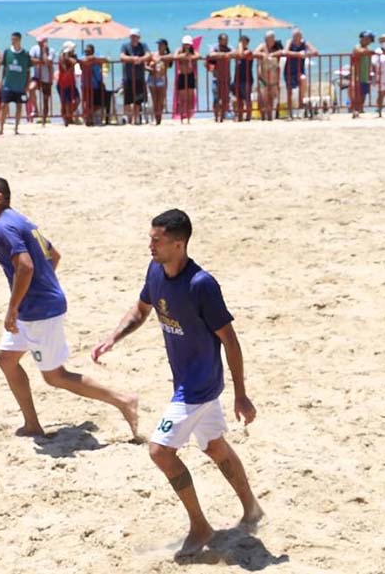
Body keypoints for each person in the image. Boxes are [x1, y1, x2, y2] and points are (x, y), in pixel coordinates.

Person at [91, 209, 264, 558]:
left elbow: (229, 339)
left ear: (179, 243)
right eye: (150, 238)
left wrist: (241, 394)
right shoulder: (155, 271)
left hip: (198, 386)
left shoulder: (202, 285)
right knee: (215, 446)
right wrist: (114, 337)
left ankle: (200, 525)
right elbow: (141, 310)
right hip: (185, 381)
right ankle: (252, 509)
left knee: (160, 451)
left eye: (157, 240)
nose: (150, 245)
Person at [0, 177, 140, 439]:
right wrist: (41, 286)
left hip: (38, 312)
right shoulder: (22, 221)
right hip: (36, 305)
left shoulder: (5, 227)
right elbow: (56, 255)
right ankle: (32, 425)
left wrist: (14, 306)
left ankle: (123, 399)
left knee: (55, 377)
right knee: (7, 361)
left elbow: (26, 266)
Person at [0, 32, 32, 136]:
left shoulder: (25, 54)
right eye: (12, 39)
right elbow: (4, 68)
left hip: (20, 85)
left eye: (15, 39)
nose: (13, 41)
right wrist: (1, 81)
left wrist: (27, 85)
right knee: (3, 105)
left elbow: (28, 71)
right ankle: (1, 129)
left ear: (19, 40)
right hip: (8, 85)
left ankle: (16, 128)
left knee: (19, 106)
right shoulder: (7, 52)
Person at [283, 29, 318, 119]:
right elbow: (285, 52)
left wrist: (306, 54)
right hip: (289, 70)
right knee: (289, 91)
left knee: (303, 80)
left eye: (298, 36)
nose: (296, 38)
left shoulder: (305, 43)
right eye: (295, 36)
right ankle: (290, 112)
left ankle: (300, 105)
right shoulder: (289, 42)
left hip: (300, 70)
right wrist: (298, 54)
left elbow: (315, 51)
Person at [120, 29, 151, 125]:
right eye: (132, 36)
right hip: (128, 77)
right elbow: (122, 56)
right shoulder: (125, 46)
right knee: (127, 100)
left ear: (139, 37)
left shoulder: (143, 46)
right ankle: (129, 117)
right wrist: (133, 59)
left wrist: (140, 59)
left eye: (135, 36)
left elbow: (149, 55)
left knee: (138, 100)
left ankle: (135, 118)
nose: (133, 38)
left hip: (139, 77)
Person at [253, 32, 281, 121]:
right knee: (263, 96)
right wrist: (262, 55)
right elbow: (254, 52)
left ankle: (270, 116)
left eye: (273, 38)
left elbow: (282, 52)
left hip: (273, 77)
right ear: (266, 39)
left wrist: (273, 54)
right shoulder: (262, 46)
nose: (272, 40)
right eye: (270, 38)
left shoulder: (276, 47)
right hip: (263, 76)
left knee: (271, 97)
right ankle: (263, 116)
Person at [28, 36, 55, 125]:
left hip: (46, 77)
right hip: (37, 76)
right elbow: (30, 59)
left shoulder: (51, 50)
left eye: (41, 42)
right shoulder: (34, 49)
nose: (39, 44)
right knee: (31, 89)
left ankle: (44, 119)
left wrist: (43, 51)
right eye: (38, 42)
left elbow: (48, 61)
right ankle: (36, 109)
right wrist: (40, 62)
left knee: (45, 99)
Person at [173, 36, 198, 124]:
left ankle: (189, 115)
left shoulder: (193, 51)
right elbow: (175, 56)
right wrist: (183, 56)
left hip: (190, 75)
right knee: (182, 98)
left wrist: (190, 56)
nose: (186, 46)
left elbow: (198, 56)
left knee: (190, 97)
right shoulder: (179, 50)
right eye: (185, 44)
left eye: (188, 44)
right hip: (182, 75)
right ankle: (182, 115)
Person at [80, 44, 107, 126]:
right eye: (86, 51)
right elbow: (83, 61)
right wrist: (91, 59)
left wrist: (94, 59)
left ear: (93, 51)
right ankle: (88, 119)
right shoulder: (82, 57)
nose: (87, 53)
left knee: (98, 103)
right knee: (87, 103)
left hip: (96, 83)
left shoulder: (97, 56)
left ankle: (92, 117)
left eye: (89, 51)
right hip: (86, 84)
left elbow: (105, 59)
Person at [207, 34, 231, 122]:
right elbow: (210, 54)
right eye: (225, 40)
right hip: (216, 77)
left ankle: (222, 116)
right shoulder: (215, 48)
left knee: (225, 98)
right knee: (216, 98)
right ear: (220, 40)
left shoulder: (229, 48)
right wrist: (222, 55)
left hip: (226, 77)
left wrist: (226, 54)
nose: (226, 42)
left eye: (227, 40)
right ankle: (216, 116)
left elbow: (234, 53)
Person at [146, 39, 172, 125]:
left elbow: (171, 60)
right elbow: (145, 65)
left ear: (165, 46)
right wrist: (151, 69)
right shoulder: (153, 54)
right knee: (154, 100)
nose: (159, 46)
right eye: (158, 45)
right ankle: (156, 119)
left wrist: (161, 59)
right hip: (152, 77)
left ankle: (159, 118)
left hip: (162, 78)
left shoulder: (167, 56)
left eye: (161, 45)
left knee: (161, 101)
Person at [350, 31, 374, 119]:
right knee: (357, 94)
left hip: (365, 75)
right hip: (357, 74)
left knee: (363, 94)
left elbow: (370, 61)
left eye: (370, 40)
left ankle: (359, 110)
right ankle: (355, 111)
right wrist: (370, 52)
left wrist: (371, 73)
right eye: (367, 39)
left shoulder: (368, 50)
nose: (368, 41)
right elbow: (359, 52)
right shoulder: (357, 47)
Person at [232, 35, 254, 122]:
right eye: (240, 41)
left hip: (247, 78)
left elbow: (241, 55)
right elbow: (230, 54)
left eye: (243, 42)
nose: (241, 43)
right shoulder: (236, 51)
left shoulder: (249, 52)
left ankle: (248, 116)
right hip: (237, 78)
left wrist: (240, 46)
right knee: (238, 99)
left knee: (247, 98)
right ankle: (240, 116)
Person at [57, 41, 79, 126]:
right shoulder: (61, 57)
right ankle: (66, 118)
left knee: (77, 100)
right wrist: (66, 56)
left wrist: (69, 58)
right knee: (65, 102)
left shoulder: (73, 56)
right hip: (63, 83)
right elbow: (65, 68)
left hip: (71, 83)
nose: (74, 51)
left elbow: (75, 62)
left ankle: (69, 115)